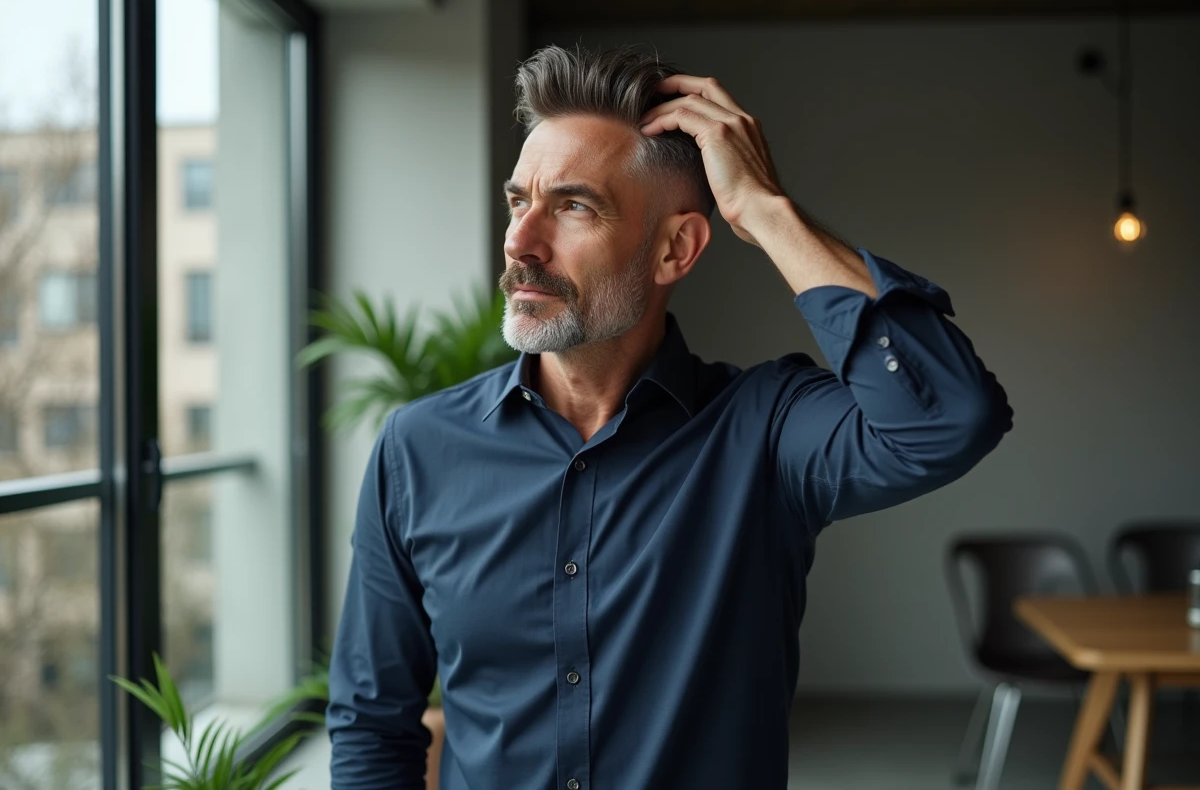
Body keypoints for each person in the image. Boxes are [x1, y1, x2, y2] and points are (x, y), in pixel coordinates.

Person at [327, 44, 1012, 790]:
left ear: (675, 248)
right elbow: (373, 724)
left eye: (573, 206)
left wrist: (764, 211)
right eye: (519, 201)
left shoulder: (766, 431)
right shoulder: (418, 448)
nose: (521, 243)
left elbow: (949, 415)